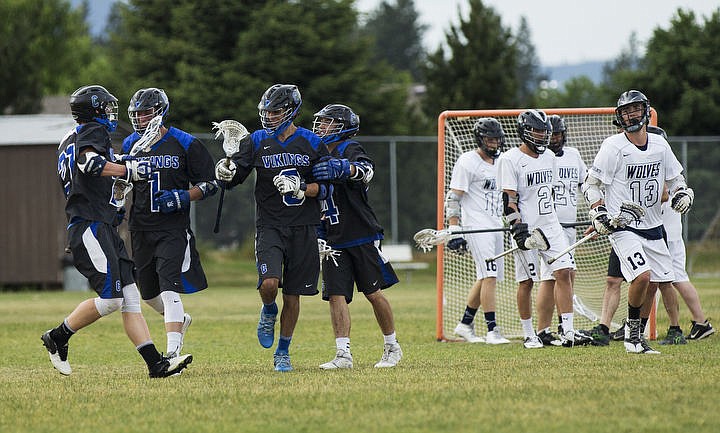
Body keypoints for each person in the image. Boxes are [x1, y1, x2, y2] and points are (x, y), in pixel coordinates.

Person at [45, 84, 192, 378]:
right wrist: (129, 170)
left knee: (130, 298)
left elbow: (87, 176)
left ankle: (156, 365)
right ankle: (57, 336)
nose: (111, 112)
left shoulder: (68, 138)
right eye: (108, 107)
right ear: (95, 110)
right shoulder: (92, 131)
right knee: (112, 300)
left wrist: (122, 171)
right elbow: (89, 163)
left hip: (98, 223)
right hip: (91, 225)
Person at [214, 84, 330, 372]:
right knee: (269, 284)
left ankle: (283, 351)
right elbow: (235, 176)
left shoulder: (312, 143)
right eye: (266, 111)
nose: (269, 117)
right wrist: (224, 173)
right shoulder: (255, 141)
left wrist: (303, 188)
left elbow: (326, 187)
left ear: (291, 112)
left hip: (304, 226)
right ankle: (268, 310)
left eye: (275, 111)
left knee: (293, 294)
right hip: (270, 225)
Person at [582, 90, 694, 354]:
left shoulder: (660, 145)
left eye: (635, 109)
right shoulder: (613, 146)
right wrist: (598, 211)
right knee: (641, 276)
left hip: (654, 226)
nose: (631, 115)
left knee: (654, 282)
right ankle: (633, 337)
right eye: (625, 111)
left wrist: (682, 193)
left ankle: (637, 333)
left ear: (646, 111)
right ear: (619, 117)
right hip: (624, 226)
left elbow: (676, 180)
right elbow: (592, 184)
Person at [121, 88, 217, 359]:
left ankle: (172, 350)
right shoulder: (130, 144)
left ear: (160, 113)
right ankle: (179, 320)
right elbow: (124, 181)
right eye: (136, 114)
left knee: (169, 286)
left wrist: (182, 197)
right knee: (148, 293)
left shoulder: (184, 142)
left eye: (145, 113)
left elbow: (210, 184)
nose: (140, 119)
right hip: (140, 226)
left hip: (172, 227)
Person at [309, 104, 403, 369]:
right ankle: (343, 355)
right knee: (336, 294)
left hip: (360, 232)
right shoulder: (314, 153)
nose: (321, 127)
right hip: (331, 235)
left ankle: (392, 346)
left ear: (342, 126)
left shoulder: (350, 148)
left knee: (373, 292)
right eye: (321, 122)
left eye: (328, 122)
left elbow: (365, 171)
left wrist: (344, 169)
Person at [497, 109, 590, 349]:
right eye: (536, 131)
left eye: (544, 132)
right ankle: (529, 334)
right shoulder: (510, 159)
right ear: (524, 132)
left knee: (564, 272)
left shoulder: (549, 156)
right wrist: (517, 227)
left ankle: (567, 330)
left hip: (551, 225)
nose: (541, 136)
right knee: (527, 281)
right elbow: (509, 199)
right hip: (527, 230)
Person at [445, 118, 510, 345]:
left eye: (496, 140)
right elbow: (454, 198)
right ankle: (492, 330)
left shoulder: (503, 161)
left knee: (485, 277)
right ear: (480, 140)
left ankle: (465, 324)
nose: (493, 144)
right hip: (476, 226)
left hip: (497, 225)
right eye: (489, 140)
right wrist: (455, 228)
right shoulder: (467, 161)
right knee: (489, 275)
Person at [535, 115, 588, 346]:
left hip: (569, 228)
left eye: (558, 134)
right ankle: (546, 329)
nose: (555, 139)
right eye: (551, 134)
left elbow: (584, 184)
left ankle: (558, 326)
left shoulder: (574, 155)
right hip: (550, 228)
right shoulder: (542, 158)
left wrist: (595, 211)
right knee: (552, 277)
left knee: (564, 275)